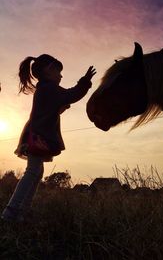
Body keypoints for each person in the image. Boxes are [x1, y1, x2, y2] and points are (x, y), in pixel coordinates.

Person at [1, 54, 96, 222]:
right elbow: (71, 94)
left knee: (36, 173)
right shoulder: (49, 88)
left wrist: (60, 107)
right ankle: (11, 212)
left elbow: (51, 110)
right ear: (49, 70)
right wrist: (85, 81)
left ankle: (21, 211)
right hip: (38, 136)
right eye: (58, 72)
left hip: (35, 134)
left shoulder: (44, 89)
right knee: (32, 172)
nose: (61, 76)